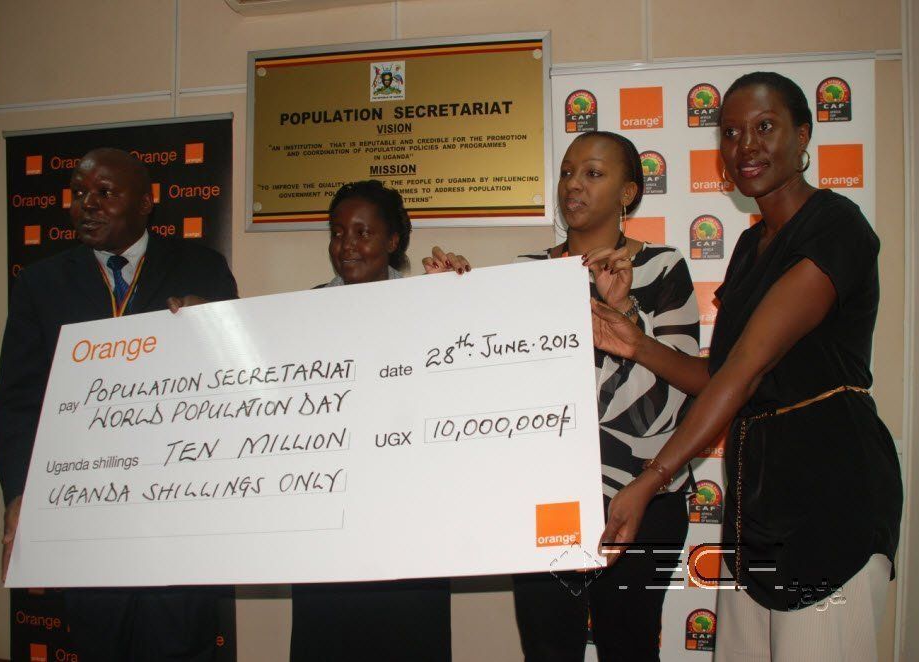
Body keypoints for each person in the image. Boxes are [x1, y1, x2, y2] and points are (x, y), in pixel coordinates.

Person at [590, 72, 902, 660]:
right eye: (731, 133)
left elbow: (748, 368)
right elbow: (721, 373)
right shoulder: (749, 247)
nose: (745, 146)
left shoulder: (835, 224)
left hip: (829, 494)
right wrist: (637, 344)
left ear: (802, 135)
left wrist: (651, 480)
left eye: (765, 127)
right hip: (754, 506)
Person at [428, 130, 700, 662]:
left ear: (628, 193)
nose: (573, 184)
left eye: (593, 173)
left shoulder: (662, 268)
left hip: (642, 498)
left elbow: (685, 385)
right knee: (548, 651)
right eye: (568, 172)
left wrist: (624, 314)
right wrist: (451, 303)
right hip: (544, 500)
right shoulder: (527, 273)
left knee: (630, 650)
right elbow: (492, 386)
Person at [0, 147, 238, 661]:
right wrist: (18, 493)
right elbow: (19, 402)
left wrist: (214, 326)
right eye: (78, 193)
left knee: (178, 646)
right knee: (98, 643)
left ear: (146, 203)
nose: (87, 204)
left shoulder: (202, 269)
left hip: (176, 514)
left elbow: (234, 383)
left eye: (105, 192)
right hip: (87, 518)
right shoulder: (40, 283)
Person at [289, 179, 466, 662]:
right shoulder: (297, 316)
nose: (346, 245)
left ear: (392, 240)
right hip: (327, 534)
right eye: (337, 232)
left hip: (410, 529)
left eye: (363, 232)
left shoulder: (431, 303)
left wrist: (460, 299)